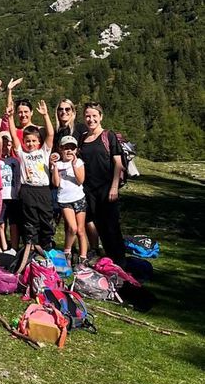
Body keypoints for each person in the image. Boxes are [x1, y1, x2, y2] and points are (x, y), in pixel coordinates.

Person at [8, 100, 55, 263]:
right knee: (30, 221)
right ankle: (32, 248)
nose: (31, 144)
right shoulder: (22, 153)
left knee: (46, 219)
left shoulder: (44, 151)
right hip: (27, 190)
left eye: (34, 141)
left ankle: (46, 246)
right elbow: (14, 135)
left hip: (43, 190)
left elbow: (50, 135)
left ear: (39, 142)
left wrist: (46, 115)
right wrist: (10, 117)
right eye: (28, 141)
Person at [78, 102, 125, 264]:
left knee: (111, 226)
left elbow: (118, 163)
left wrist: (114, 186)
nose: (91, 119)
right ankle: (105, 260)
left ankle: (119, 262)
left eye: (94, 116)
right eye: (87, 116)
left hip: (106, 188)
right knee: (95, 223)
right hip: (88, 189)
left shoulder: (108, 136)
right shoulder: (82, 138)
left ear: (101, 117)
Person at [51, 136, 87, 264]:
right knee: (72, 228)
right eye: (66, 148)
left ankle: (83, 258)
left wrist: (73, 165)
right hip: (65, 200)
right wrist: (54, 167)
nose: (69, 151)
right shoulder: (58, 164)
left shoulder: (79, 162)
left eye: (72, 148)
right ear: (61, 149)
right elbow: (56, 183)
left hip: (79, 198)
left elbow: (80, 180)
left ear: (76, 150)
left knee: (81, 230)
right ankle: (67, 253)